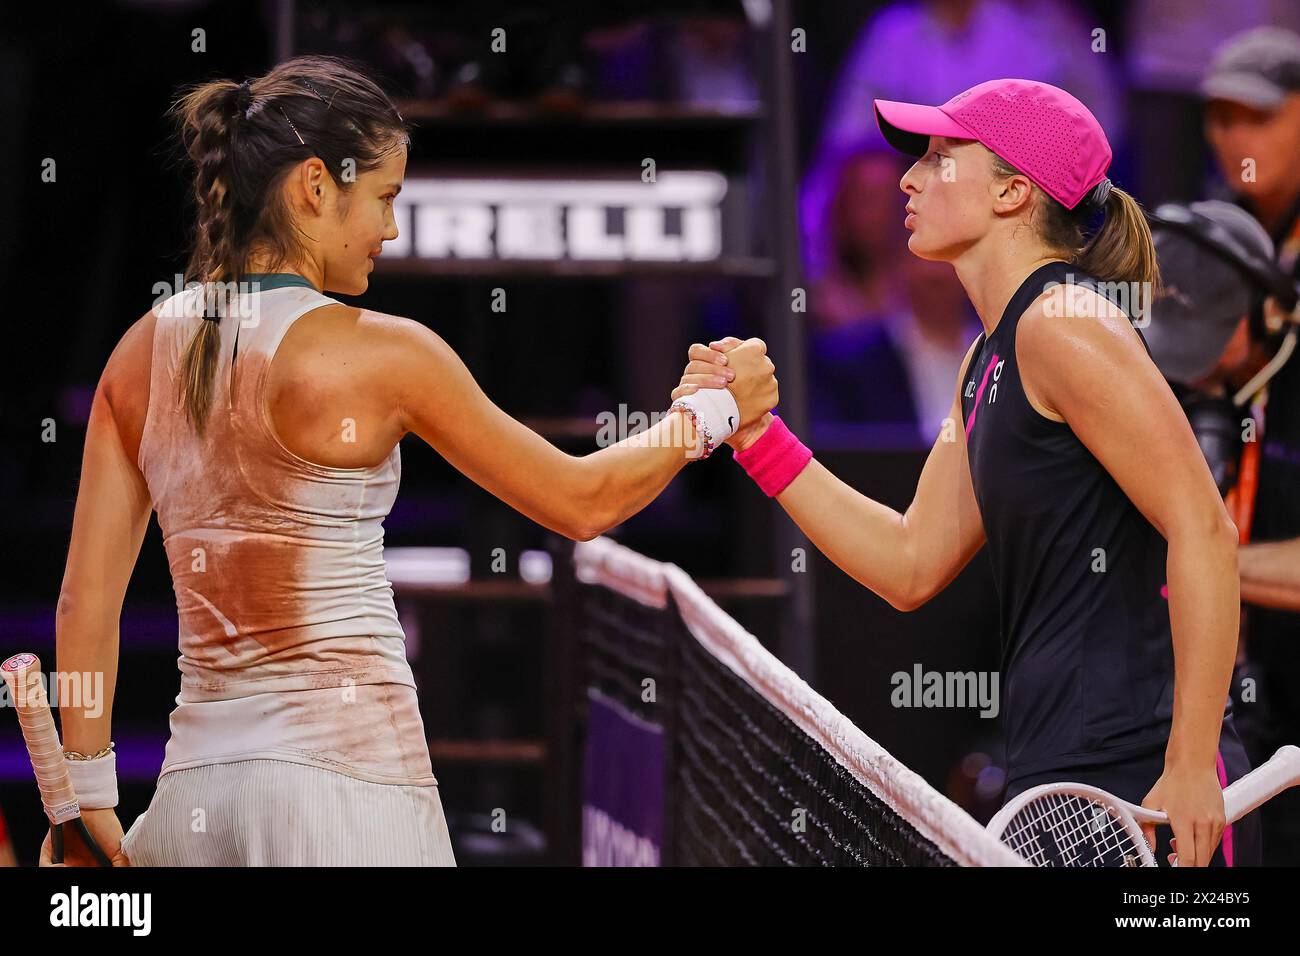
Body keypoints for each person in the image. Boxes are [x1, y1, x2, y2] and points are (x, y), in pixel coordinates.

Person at [46, 55, 776, 866]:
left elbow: (84, 604)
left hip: (195, 806)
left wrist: (82, 797)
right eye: (385, 198)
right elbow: (580, 501)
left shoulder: (137, 355)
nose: (391, 230)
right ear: (316, 187)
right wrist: (710, 414)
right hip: (350, 797)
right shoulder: (388, 356)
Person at [676, 78, 1260, 866]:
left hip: (1145, 781)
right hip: (1059, 779)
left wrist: (1190, 762)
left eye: (942, 158)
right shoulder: (987, 357)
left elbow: (1205, 530)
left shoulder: (1066, 325)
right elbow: (910, 563)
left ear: (1015, 192)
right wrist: (755, 436)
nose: (910, 179)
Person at [1200, 25, 1300, 865]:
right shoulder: (1210, 245)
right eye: (1221, 118)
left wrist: (1199, 563)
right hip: (1253, 702)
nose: (1236, 139)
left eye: (1258, 117)